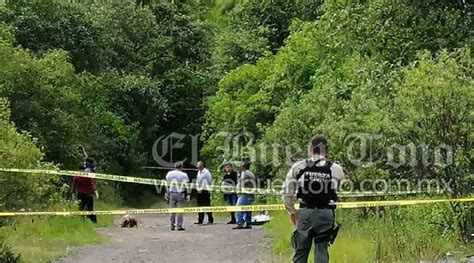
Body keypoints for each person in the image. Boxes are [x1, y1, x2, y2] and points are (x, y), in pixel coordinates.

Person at [282, 135, 345, 263]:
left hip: (305, 213)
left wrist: (291, 211)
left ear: (310, 148)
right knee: (322, 249)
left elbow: (286, 192)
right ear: (327, 150)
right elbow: (338, 192)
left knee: (300, 252)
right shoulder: (336, 169)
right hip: (326, 213)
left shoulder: (299, 166)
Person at [165, 161, 190, 231]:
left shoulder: (169, 174)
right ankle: (179, 226)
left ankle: (172, 225)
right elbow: (187, 185)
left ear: (174, 166)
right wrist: (188, 194)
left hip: (172, 193)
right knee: (180, 210)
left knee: (172, 210)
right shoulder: (184, 175)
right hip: (180, 193)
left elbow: (167, 184)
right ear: (181, 167)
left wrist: (167, 193)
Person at [233, 161, 256, 230]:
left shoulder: (245, 173)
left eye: (240, 166)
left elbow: (245, 182)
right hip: (248, 195)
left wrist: (241, 184)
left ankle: (240, 223)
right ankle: (248, 223)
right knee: (247, 209)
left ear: (243, 167)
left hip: (244, 195)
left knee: (238, 208)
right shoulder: (249, 173)